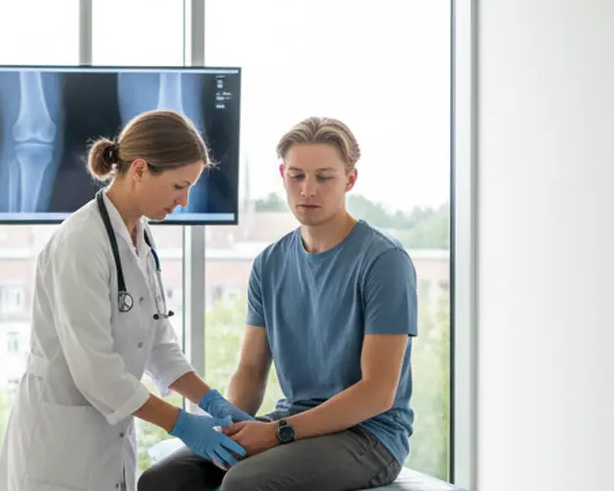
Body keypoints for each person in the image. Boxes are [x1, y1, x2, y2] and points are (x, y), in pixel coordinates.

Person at [138, 117, 419, 491]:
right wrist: (230, 426)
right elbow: (252, 368)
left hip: (369, 436)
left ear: (349, 180)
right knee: (165, 480)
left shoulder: (384, 261)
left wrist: (277, 433)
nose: (308, 190)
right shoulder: (270, 263)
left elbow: (378, 392)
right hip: (293, 424)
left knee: (244, 484)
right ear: (283, 175)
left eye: (324, 177)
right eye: (297, 176)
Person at [0, 109, 252, 491]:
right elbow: (96, 370)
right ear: (140, 170)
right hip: (60, 445)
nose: (184, 201)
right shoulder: (81, 243)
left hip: (106, 441)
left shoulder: (139, 237)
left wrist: (212, 400)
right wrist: (181, 424)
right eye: (179, 186)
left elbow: (159, 346)